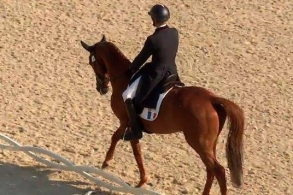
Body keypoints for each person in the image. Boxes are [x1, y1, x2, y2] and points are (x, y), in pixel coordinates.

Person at [121, 4, 181, 141]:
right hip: (172, 71)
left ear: (154, 19)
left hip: (157, 74)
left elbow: (141, 59)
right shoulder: (174, 32)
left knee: (127, 95)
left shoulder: (153, 40)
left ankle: (136, 130)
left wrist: (131, 68)